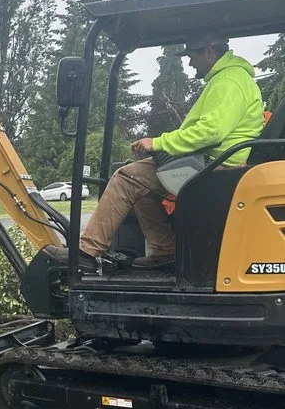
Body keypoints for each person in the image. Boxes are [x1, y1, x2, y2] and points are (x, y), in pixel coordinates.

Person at [44, 33, 264, 271]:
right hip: (212, 163)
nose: (190, 63)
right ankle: (165, 250)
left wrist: (159, 143)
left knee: (127, 177)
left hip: (216, 168)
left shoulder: (229, 81)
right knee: (140, 185)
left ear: (209, 51)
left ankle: (86, 252)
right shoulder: (230, 79)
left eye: (192, 56)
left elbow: (211, 132)